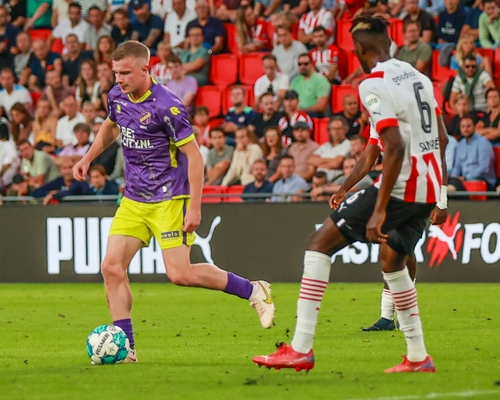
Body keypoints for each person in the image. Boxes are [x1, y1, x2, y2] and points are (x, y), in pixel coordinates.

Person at [253, 15, 449, 373]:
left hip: (403, 186)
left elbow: (393, 149)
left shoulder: (373, 84)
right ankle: (419, 356)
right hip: (427, 188)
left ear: (358, 48)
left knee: (318, 243)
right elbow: (440, 137)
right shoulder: (417, 78)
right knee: (392, 262)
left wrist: (378, 210)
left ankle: (300, 348)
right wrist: (440, 195)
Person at [73, 41, 275, 362]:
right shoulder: (116, 95)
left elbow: (195, 158)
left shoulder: (168, 106)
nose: (119, 79)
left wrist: (195, 206)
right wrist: (87, 157)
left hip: (170, 198)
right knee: (111, 267)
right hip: (134, 198)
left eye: (125, 73)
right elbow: (111, 126)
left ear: (145, 69)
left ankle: (253, 290)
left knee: (180, 274)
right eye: (115, 73)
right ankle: (127, 349)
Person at [448, 114, 496, 191]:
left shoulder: (483, 142)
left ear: (474, 127)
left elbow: (484, 167)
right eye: (463, 127)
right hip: (464, 180)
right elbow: (457, 167)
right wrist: (455, 177)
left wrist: (466, 178)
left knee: (452, 187)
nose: (465, 129)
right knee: (447, 181)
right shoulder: (461, 144)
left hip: (483, 180)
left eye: (468, 126)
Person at [309, 116, 352, 182]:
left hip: (335, 179)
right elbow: (311, 160)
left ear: (345, 129)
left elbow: (336, 163)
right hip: (319, 179)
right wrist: (330, 161)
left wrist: (319, 164)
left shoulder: (347, 144)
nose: (336, 132)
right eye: (333, 129)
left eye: (338, 129)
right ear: (329, 130)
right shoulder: (325, 146)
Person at [290, 53, 331, 117]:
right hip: (297, 114)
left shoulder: (321, 80)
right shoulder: (295, 81)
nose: (302, 66)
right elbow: (290, 101)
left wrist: (302, 111)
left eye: (306, 64)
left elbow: (322, 106)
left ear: (312, 64)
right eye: (300, 64)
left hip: (314, 114)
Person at [436, 0, 467, 66]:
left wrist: (445, 41)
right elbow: (439, 33)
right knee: (431, 46)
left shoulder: (463, 14)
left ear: (458, 1)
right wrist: (440, 39)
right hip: (442, 43)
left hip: (455, 43)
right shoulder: (442, 14)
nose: (449, 2)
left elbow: (459, 35)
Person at [0, 5, 20, 71]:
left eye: (2, 16)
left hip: (10, 61)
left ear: (7, 16)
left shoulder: (14, 30)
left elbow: (15, 49)